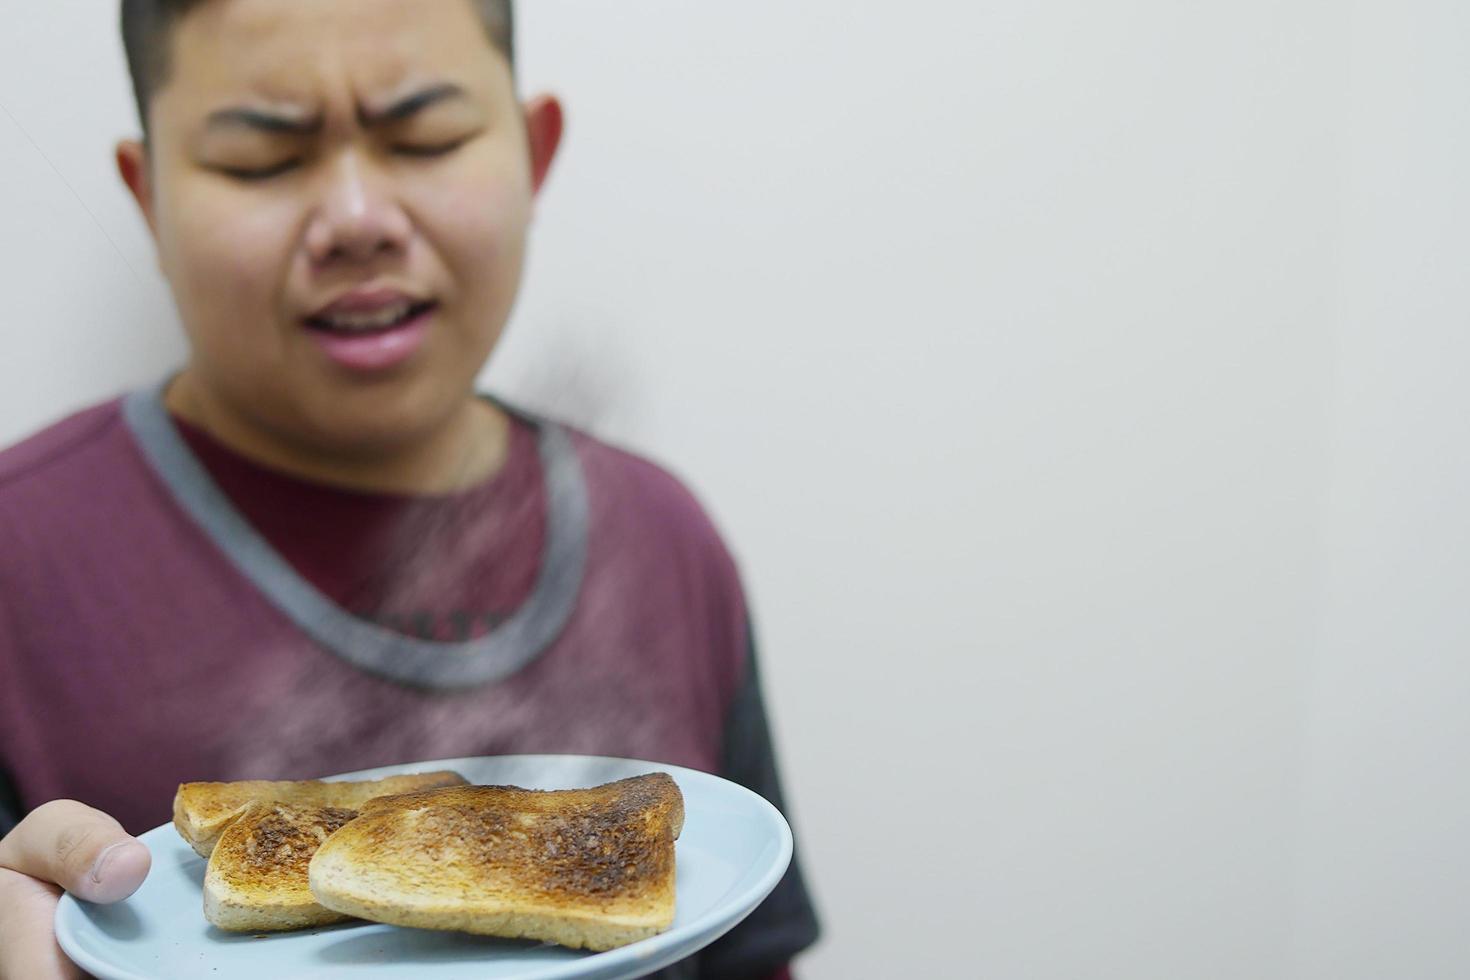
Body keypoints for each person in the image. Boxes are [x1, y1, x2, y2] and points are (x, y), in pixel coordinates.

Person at [0, 1, 820, 977]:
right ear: (149, 198)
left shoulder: (664, 540)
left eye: (425, 137)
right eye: (261, 160)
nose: (356, 220)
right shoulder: (23, 563)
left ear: (533, 152)